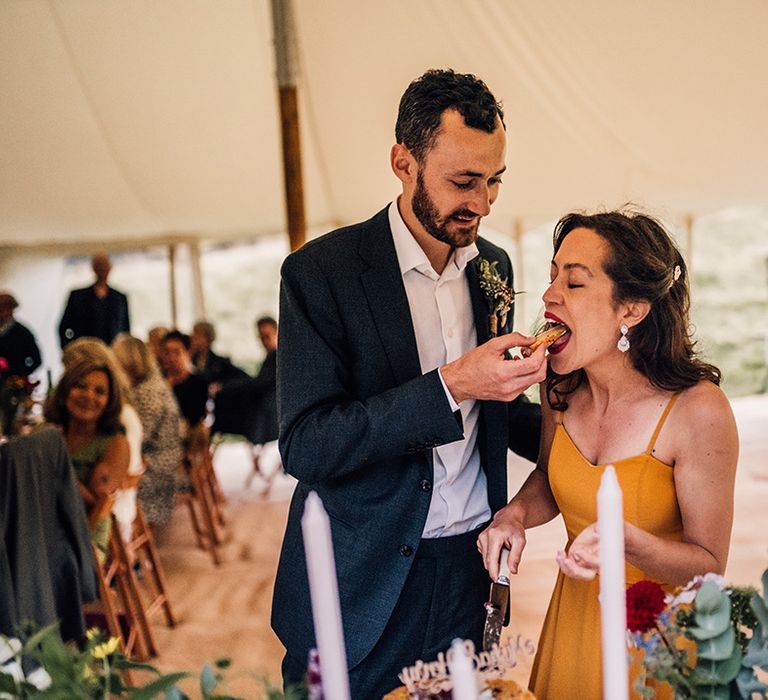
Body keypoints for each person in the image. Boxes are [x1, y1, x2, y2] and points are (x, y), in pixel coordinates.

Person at [272, 68, 547, 699]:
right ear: (404, 162)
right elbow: (308, 445)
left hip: (469, 572)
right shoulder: (322, 273)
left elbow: (504, 413)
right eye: (463, 182)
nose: (482, 203)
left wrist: (607, 433)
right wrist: (452, 384)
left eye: (494, 181)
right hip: (359, 579)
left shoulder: (493, 267)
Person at [477, 210, 739, 699]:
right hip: (572, 627)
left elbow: (708, 565)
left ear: (631, 310)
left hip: (659, 646)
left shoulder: (699, 410)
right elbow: (547, 478)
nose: (550, 294)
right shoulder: (561, 386)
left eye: (574, 283)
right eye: (552, 275)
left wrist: (628, 542)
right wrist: (512, 516)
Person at [44, 354, 131, 562]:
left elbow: (96, 504)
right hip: (41, 527)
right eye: (80, 386)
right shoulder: (48, 434)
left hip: (85, 541)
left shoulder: (115, 443)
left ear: (109, 402)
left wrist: (55, 470)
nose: (88, 396)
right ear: (65, 392)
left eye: (99, 391)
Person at [112, 334, 184, 531]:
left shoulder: (148, 392)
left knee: (107, 485)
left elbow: (138, 439)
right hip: (159, 456)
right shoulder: (148, 384)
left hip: (158, 464)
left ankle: (121, 542)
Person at [58, 252, 130, 348]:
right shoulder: (78, 296)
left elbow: (126, 329)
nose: (102, 271)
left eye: (105, 267)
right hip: (86, 352)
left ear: (110, 268)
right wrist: (71, 349)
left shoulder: (120, 297)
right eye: (100, 267)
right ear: (94, 269)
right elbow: (64, 327)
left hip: (112, 352)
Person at [161, 330, 209, 429]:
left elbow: (196, 418)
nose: (171, 358)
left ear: (188, 352)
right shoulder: (158, 380)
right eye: (167, 352)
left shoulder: (198, 383)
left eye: (176, 352)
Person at [189, 320, 248, 391]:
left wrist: (221, 386)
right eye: (193, 336)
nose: (194, 340)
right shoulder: (188, 360)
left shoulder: (220, 363)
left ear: (209, 339)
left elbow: (242, 378)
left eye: (198, 337)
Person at [0, 291, 42, 377]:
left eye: (4, 309)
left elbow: (37, 360)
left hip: (14, 383)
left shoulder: (22, 332)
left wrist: (21, 375)